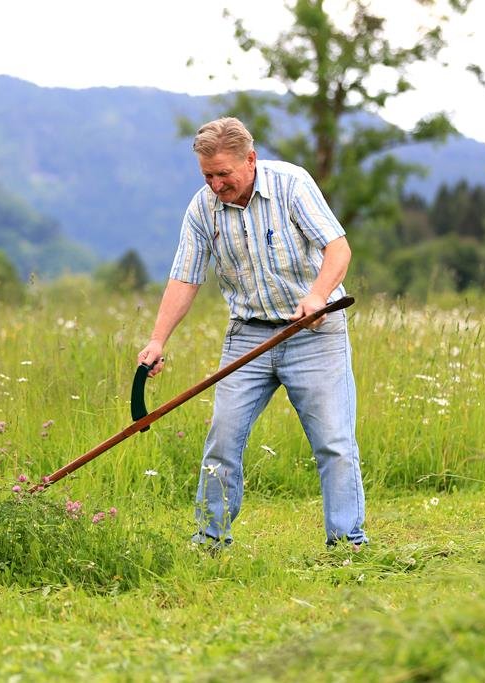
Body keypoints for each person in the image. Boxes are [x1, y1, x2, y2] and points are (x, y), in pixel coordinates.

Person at [137, 117, 367, 550]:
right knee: (222, 438)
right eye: (208, 175)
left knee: (334, 443)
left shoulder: (291, 185)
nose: (216, 184)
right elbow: (185, 277)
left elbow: (339, 247)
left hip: (314, 333)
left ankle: (348, 544)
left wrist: (318, 295)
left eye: (224, 173)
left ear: (251, 159)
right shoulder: (202, 208)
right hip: (249, 335)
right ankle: (210, 539)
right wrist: (157, 340)